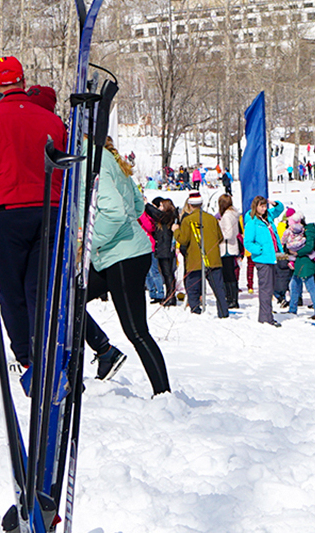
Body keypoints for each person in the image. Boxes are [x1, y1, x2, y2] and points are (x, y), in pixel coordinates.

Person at [0, 57, 115, 384]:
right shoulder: (52, 121)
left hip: (4, 215)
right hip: (49, 211)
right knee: (41, 291)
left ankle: (28, 359)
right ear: (22, 82)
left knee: (11, 292)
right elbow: (70, 170)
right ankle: (51, 354)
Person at [82, 140, 157, 391]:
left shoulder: (92, 160)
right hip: (120, 253)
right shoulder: (110, 158)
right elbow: (136, 206)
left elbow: (114, 212)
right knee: (67, 301)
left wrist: (89, 242)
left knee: (136, 331)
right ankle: (104, 352)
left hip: (122, 256)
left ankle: (163, 393)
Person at [174, 192, 228, 317]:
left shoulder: (187, 220)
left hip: (195, 260)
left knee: (192, 287)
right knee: (218, 288)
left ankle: (195, 312)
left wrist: (176, 231)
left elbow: (183, 239)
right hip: (213, 259)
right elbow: (220, 237)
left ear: (190, 205)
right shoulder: (211, 218)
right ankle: (223, 313)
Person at [243, 195, 282, 328]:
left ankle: (267, 315)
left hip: (271, 257)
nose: (264, 209)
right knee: (265, 289)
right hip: (262, 259)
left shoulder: (267, 218)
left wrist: (275, 203)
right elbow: (247, 242)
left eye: (265, 206)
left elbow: (280, 209)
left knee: (270, 288)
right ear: (256, 206)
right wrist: (259, 250)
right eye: (261, 206)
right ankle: (266, 318)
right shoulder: (252, 222)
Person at [284, 213, 315, 318]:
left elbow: (309, 246)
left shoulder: (309, 231)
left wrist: (297, 253)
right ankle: (292, 309)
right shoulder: (299, 231)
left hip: (306, 263)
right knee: (294, 285)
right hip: (299, 263)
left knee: (311, 287)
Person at [141, 197, 177, 306]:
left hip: (165, 249)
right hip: (161, 249)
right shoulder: (164, 219)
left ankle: (171, 296)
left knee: (168, 273)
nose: (159, 208)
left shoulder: (168, 217)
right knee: (166, 274)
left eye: (161, 206)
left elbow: (156, 214)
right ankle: (169, 295)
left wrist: (147, 205)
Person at [215, 193, 243, 311]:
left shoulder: (226, 216)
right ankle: (233, 298)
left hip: (226, 248)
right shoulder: (233, 214)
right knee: (231, 274)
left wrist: (218, 234)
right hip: (231, 247)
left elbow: (228, 233)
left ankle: (231, 298)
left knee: (228, 275)